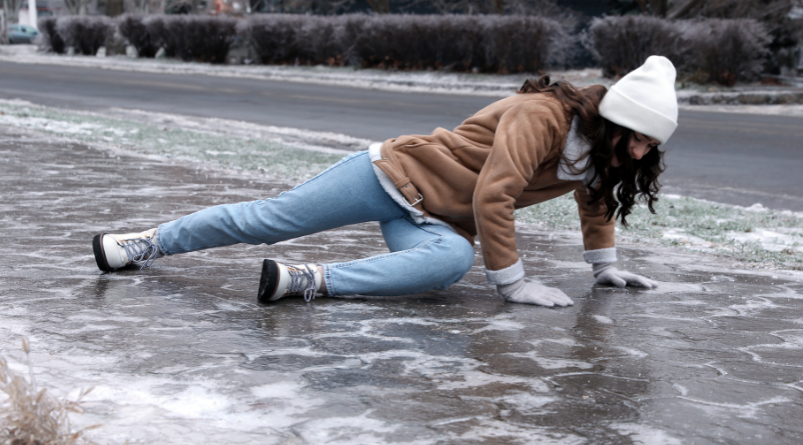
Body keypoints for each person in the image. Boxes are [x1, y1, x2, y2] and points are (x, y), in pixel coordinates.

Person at [92, 56, 677, 308]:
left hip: (436, 219)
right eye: (641, 139)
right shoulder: (543, 117)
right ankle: (144, 243)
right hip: (391, 174)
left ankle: (307, 281)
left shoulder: (602, 153)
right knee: (269, 221)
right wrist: (514, 284)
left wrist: (604, 267)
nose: (644, 152)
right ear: (615, 122)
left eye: (653, 145)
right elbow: (494, 193)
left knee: (447, 265)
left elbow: (596, 197)